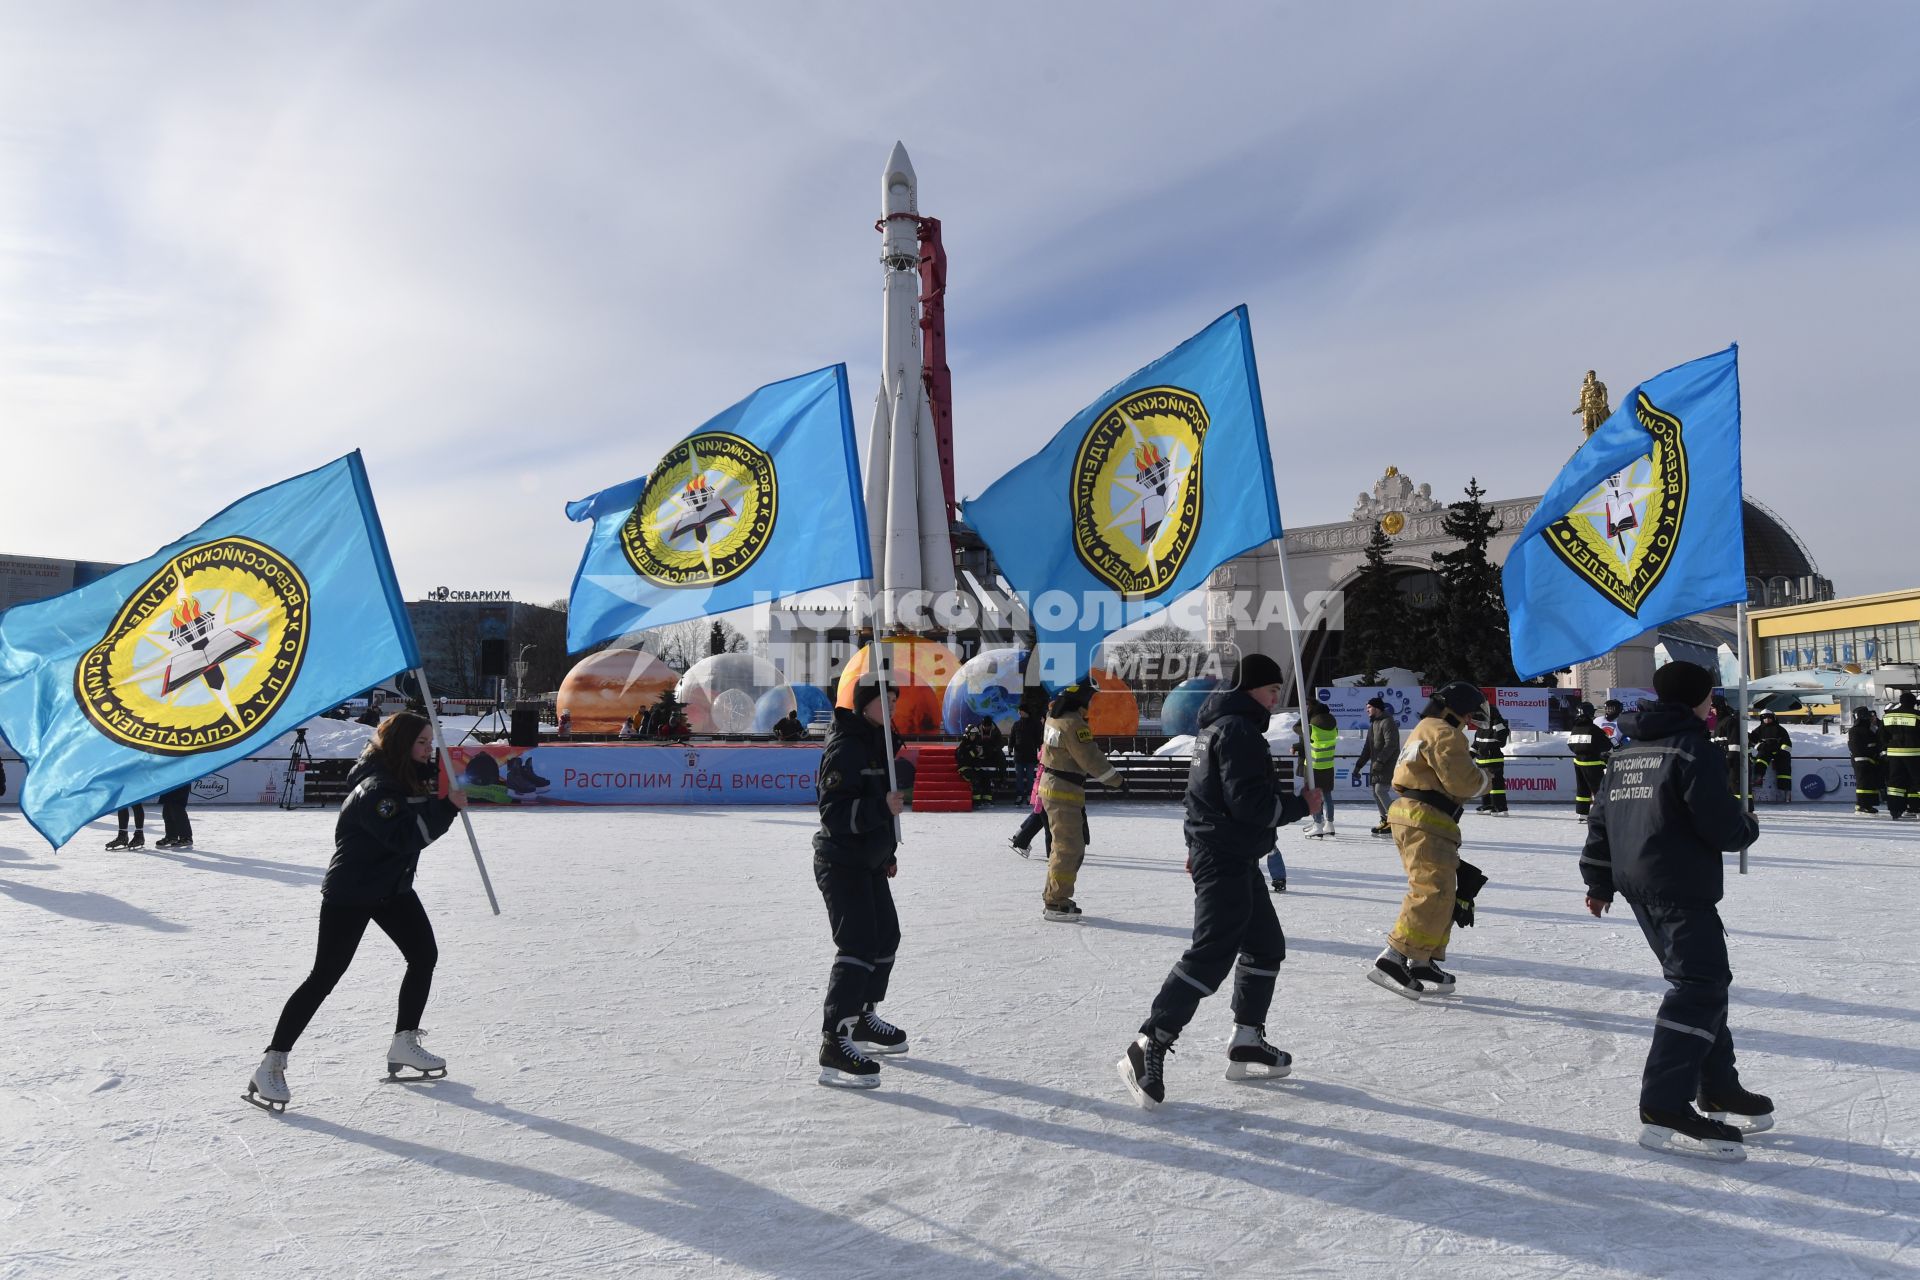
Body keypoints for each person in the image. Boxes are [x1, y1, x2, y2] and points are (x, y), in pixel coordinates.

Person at [1579, 660, 1767, 1162]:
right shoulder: (1691, 749)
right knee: (1699, 987)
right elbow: (1721, 828)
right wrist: (1746, 825)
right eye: (1709, 698)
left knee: (1703, 983)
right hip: (1678, 886)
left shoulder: (1627, 749)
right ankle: (1664, 1104)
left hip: (1639, 885)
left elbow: (1599, 822)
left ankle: (1719, 1086)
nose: (1712, 706)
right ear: (1700, 700)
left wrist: (1598, 881)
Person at [1118, 653, 1318, 1109]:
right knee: (1211, 951)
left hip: (1231, 854)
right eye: (1271, 691)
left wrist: (1197, 847)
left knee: (1265, 945)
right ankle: (1148, 1043)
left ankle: (1246, 1038)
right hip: (1225, 855)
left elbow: (1202, 797)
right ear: (1253, 689)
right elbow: (1250, 805)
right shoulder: (1239, 731)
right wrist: (1301, 805)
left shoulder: (1220, 728)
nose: (1275, 700)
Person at [249, 712, 467, 1112]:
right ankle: (271, 1062)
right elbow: (405, 836)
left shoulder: (403, 774)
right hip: (352, 893)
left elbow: (424, 798)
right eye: (421, 743)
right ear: (402, 745)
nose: (429, 749)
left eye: (429, 743)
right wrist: (449, 808)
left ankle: (404, 1042)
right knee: (325, 977)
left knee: (423, 956)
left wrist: (451, 777)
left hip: (391, 889)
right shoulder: (376, 787)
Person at [812, 678, 910, 1088]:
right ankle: (835, 1038)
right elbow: (834, 814)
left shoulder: (879, 744)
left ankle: (864, 1017)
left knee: (886, 938)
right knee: (856, 947)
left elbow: (882, 812)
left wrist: (886, 853)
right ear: (863, 706)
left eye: (892, 702)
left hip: (868, 862)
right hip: (841, 862)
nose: (889, 710)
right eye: (883, 702)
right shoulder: (847, 746)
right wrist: (878, 807)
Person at [1369, 681, 1489, 1000]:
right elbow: (1463, 782)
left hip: (1421, 816)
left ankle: (1421, 958)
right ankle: (1394, 956)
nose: (1469, 722)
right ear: (1455, 711)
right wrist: (1484, 778)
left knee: (1444, 891)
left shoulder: (1425, 727)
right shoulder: (1444, 732)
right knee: (1430, 889)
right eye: (1468, 715)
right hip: (1427, 816)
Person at [1037, 680, 1123, 921]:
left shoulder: (1054, 717)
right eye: (1089, 698)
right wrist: (1118, 781)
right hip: (1064, 791)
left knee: (1062, 846)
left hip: (1053, 787)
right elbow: (1090, 759)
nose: (1090, 703)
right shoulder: (1074, 725)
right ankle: (1056, 902)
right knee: (1068, 848)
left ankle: (1053, 895)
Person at [1351, 696, 1400, 838]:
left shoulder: (1387, 722)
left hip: (1387, 762)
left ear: (1377, 708)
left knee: (1380, 790)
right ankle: (1385, 820)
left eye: (1369, 708)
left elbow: (1391, 744)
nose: (1367, 710)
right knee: (1375, 792)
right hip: (1377, 763)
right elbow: (1367, 748)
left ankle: (1395, 821)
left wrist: (1380, 761)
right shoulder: (1373, 724)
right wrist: (1358, 766)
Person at [1294, 698, 1339, 844]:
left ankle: (1318, 824)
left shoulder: (1312, 728)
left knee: (1314, 796)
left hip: (1313, 765)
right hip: (1328, 765)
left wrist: (1305, 714)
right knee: (1327, 794)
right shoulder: (1334, 727)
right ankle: (1329, 824)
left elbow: (1296, 727)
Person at [1568, 702, 1612, 820]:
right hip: (1593, 763)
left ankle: (1582, 814)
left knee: (1582, 789)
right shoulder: (1594, 729)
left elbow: (1570, 745)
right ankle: (1599, 814)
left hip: (1578, 762)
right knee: (1598, 790)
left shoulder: (1575, 729)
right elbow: (1607, 745)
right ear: (1589, 713)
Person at [1884, 692, 1920, 821]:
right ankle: (1916, 808)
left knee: (1895, 783)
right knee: (1916, 781)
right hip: (1914, 753)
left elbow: (1882, 736)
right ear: (1913, 702)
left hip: (1894, 754)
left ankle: (1895, 810)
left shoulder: (1888, 716)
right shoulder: (1917, 716)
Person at [1472, 708, 1511, 815]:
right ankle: (1487, 805)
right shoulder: (1481, 727)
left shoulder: (1498, 724)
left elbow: (1501, 741)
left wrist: (1497, 722)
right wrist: (1468, 756)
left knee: (1496, 786)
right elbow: (1476, 744)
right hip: (1481, 762)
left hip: (1494, 761)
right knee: (1484, 785)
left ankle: (1500, 807)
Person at [1749, 712, 1793, 803]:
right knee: (1760, 761)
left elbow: (1787, 743)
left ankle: (1786, 792)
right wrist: (1759, 746)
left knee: (1784, 768)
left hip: (1779, 752)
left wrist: (1782, 751)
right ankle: (1758, 777)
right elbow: (1752, 741)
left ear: (1773, 718)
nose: (1767, 720)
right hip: (1765, 750)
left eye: (1769, 718)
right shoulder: (1758, 730)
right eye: (1764, 718)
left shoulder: (1780, 729)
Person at [1848, 707, 1884, 815]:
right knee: (1863, 784)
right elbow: (1856, 748)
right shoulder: (1855, 730)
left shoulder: (1869, 729)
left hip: (1870, 760)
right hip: (1862, 761)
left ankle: (1868, 805)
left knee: (1870, 784)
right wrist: (1871, 749)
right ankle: (1861, 805)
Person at [1010, 700, 1043, 804]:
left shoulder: (1034, 724)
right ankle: (1019, 795)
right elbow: (1012, 737)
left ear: (1025, 711)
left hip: (1030, 755)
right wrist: (1010, 747)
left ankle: (1030, 795)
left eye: (1020, 711)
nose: (1019, 712)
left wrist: (1040, 749)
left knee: (1029, 776)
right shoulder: (1016, 724)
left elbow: (1038, 738)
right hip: (1019, 755)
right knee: (1019, 776)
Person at [156, 783, 194, 850]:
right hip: (169, 783)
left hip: (181, 782)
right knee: (167, 812)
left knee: (177, 809)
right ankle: (171, 837)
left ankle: (186, 838)